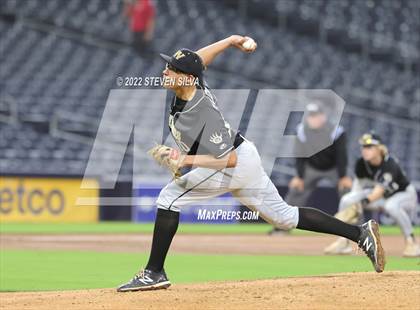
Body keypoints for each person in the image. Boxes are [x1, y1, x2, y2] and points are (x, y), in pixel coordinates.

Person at [117, 35, 385, 292]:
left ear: (186, 77)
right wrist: (231, 40)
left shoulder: (201, 110)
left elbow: (227, 160)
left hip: (233, 164)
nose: (165, 71)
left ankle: (153, 273)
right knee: (285, 217)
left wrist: (182, 159)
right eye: (167, 66)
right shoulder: (192, 83)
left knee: (169, 199)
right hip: (243, 156)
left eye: (171, 69)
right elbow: (200, 59)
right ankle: (360, 233)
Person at [324, 133, 420, 257]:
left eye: (370, 147)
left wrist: (360, 204)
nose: (365, 150)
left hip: (403, 195)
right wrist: (353, 206)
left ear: (380, 148)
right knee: (347, 200)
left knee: (391, 206)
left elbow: (378, 192)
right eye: (364, 147)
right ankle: (343, 242)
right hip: (381, 197)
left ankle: (411, 242)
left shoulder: (390, 164)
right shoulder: (361, 163)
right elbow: (357, 187)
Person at [269, 102, 352, 235]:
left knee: (347, 191)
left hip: (333, 168)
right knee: (296, 190)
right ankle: (281, 228)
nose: (313, 119)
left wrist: (343, 176)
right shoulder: (302, 130)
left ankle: (357, 228)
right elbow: (300, 154)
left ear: (323, 117)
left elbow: (341, 155)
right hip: (311, 167)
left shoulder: (336, 131)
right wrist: (300, 176)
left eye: (316, 115)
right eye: (310, 116)